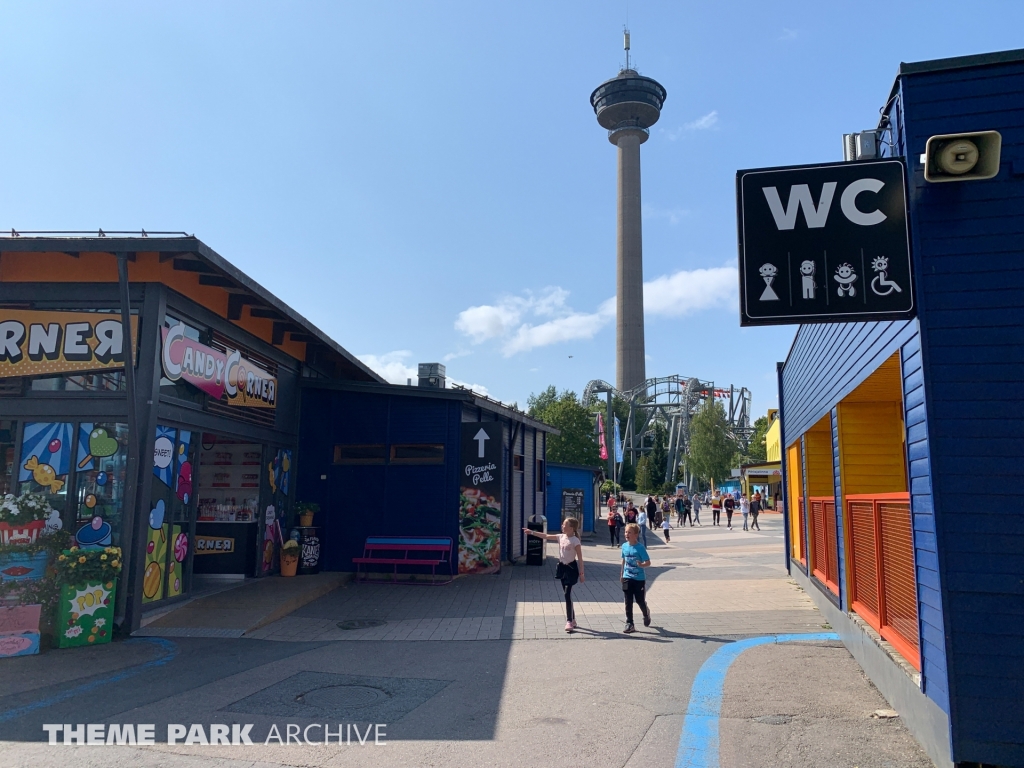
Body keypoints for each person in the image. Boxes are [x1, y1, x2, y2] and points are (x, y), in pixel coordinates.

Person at [523, 518, 585, 633]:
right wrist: (532, 532)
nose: (562, 526)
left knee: (567, 594)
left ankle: (569, 621)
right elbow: (546, 536)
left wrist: (582, 574)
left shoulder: (575, 541)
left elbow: (580, 559)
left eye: (565, 525)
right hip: (562, 568)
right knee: (567, 594)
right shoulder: (561, 537)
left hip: (571, 569)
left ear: (571, 528)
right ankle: (574, 619)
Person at [620, 523, 651, 634]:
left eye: (629, 532)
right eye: (625, 532)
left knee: (640, 600)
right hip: (627, 577)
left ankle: (646, 613)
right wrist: (622, 574)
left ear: (636, 535)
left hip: (639, 579)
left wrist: (641, 565)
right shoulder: (624, 546)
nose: (626, 534)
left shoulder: (640, 548)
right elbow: (623, 560)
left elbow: (648, 562)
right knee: (628, 601)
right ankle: (630, 623)